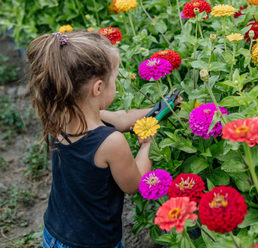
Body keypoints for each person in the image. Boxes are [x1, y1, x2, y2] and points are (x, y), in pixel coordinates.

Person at [25, 30, 181, 248]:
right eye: (114, 79)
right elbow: (135, 184)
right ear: (98, 88)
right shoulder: (111, 142)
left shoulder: (58, 116)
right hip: (94, 242)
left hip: (54, 233)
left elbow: (121, 118)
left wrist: (160, 108)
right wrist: (147, 145)